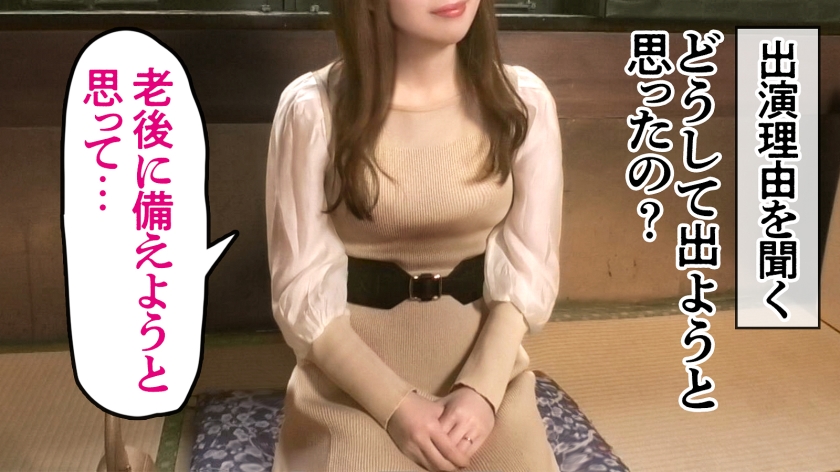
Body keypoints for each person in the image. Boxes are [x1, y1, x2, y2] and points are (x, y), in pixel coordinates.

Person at [265, 0, 563, 470]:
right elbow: (299, 290)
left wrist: (482, 391)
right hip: (350, 379)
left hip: (485, 362)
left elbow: (530, 266)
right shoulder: (312, 109)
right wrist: (396, 407)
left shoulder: (522, 101)